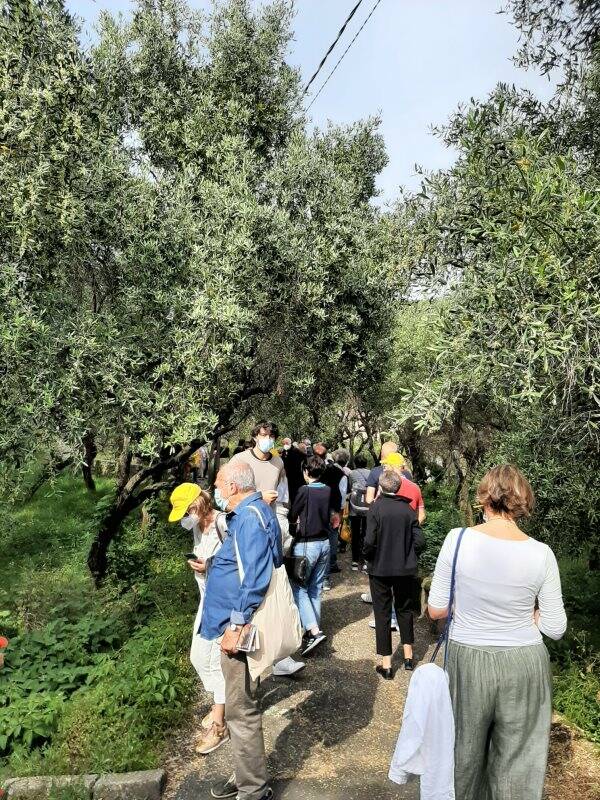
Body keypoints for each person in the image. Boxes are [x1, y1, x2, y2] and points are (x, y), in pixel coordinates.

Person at [428, 465, 567, 800]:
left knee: (462, 756)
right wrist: (530, 615)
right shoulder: (541, 553)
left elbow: (436, 609)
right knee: (518, 764)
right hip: (524, 663)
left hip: (468, 658)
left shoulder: (457, 540)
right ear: (522, 502)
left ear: (484, 499)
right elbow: (555, 627)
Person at [202, 461, 281, 800]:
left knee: (240, 709)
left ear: (233, 486)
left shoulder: (249, 517)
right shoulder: (256, 511)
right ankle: (246, 774)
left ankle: (253, 790)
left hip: (238, 631)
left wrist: (236, 624)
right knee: (241, 704)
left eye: (219, 485)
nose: (216, 491)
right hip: (236, 624)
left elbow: (255, 577)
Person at [229, 421, 304, 677]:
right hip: (246, 528)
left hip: (270, 527)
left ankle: (277, 652)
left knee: (274, 588)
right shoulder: (239, 460)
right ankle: (243, 644)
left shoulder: (278, 463)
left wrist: (283, 514)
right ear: (254, 436)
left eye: (272, 435)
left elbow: (283, 493)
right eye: (264, 434)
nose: (268, 439)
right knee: (250, 585)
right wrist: (259, 498)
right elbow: (228, 497)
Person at [168, 483, 229, 755]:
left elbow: (236, 562)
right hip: (206, 600)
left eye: (187, 511)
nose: (185, 517)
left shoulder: (223, 523)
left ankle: (219, 725)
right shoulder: (197, 526)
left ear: (199, 504)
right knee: (198, 657)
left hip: (222, 603)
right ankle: (221, 702)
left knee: (213, 662)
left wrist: (209, 565)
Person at [363, 470, 425, 678]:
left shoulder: (376, 508)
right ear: (399, 487)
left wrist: (367, 556)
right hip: (405, 568)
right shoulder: (408, 510)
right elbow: (420, 541)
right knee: (405, 609)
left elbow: (369, 541)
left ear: (380, 487)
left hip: (379, 568)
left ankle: (387, 664)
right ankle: (408, 656)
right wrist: (409, 553)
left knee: (382, 613)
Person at [289, 456, 331, 655]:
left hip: (307, 544)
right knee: (316, 587)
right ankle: (314, 629)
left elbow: (293, 513)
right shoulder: (327, 489)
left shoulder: (304, 491)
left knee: (299, 587)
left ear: (306, 471)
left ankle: (313, 631)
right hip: (324, 542)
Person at [312, 443, 343, 585]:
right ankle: (326, 577)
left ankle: (314, 575)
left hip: (314, 509)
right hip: (332, 510)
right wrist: (339, 510)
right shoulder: (336, 471)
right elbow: (341, 491)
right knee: (330, 540)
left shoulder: (308, 469)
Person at [384, 453, 426, 525]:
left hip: (389, 530)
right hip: (409, 531)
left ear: (392, 466)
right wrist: (412, 528)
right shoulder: (415, 487)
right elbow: (422, 515)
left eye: (386, 466)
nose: (384, 469)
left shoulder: (385, 486)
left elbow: (377, 510)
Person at [347, 454, 370, 571]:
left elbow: (350, 487)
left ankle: (355, 561)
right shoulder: (371, 473)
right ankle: (366, 561)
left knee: (355, 534)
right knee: (367, 533)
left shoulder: (351, 473)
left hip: (355, 508)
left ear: (355, 463)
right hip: (368, 507)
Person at [280, 437, 307, 515]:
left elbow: (304, 457)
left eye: (286, 443)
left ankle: (294, 515)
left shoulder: (296, 451)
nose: (285, 445)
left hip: (296, 478)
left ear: (290, 443)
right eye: (284, 443)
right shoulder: (283, 451)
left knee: (295, 498)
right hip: (287, 478)